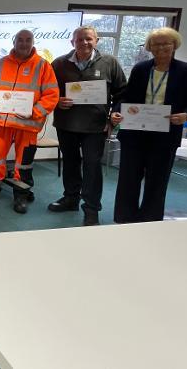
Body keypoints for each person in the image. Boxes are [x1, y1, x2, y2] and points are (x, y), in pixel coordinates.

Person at [111, 27, 187, 223]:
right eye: (156, 44)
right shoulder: (140, 69)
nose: (161, 47)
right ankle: (124, 219)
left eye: (166, 43)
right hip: (134, 133)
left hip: (165, 135)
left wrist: (186, 115)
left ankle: (150, 221)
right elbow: (126, 97)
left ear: (174, 45)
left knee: (157, 182)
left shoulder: (186, 71)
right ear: (149, 47)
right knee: (128, 180)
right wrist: (116, 112)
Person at [49, 26, 126, 226]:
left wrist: (115, 113)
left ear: (96, 40)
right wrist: (57, 101)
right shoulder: (59, 63)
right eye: (80, 39)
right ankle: (71, 198)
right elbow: (48, 91)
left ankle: (91, 208)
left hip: (96, 126)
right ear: (72, 42)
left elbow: (122, 93)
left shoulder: (110, 63)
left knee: (92, 166)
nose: (84, 42)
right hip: (67, 124)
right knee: (70, 163)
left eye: (89, 39)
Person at [0, 29, 59, 213]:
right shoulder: (1, 63)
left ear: (33, 42)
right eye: (20, 40)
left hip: (27, 124)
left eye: (28, 40)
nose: (24, 43)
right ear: (14, 41)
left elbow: (52, 95)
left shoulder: (43, 66)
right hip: (1, 122)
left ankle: (21, 195)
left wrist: (34, 112)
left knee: (23, 163)